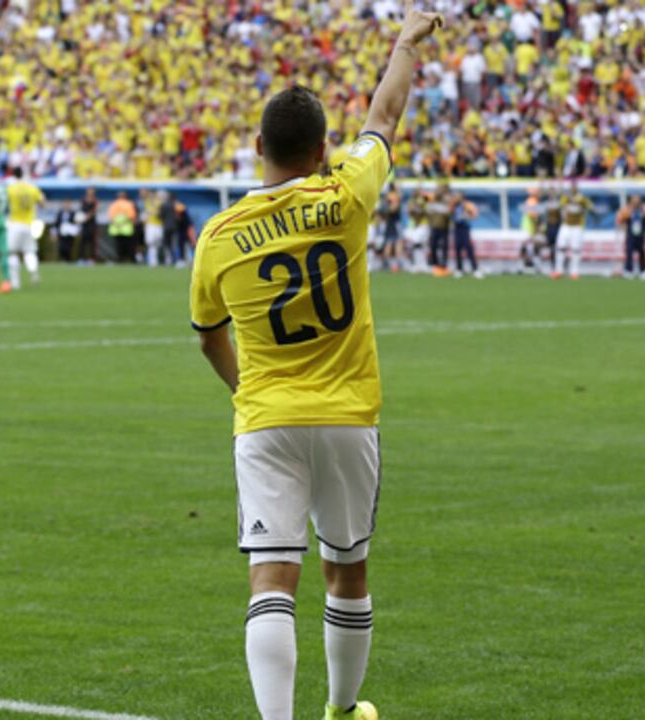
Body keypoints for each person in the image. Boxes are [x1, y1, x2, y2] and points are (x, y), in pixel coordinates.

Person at [189, 6, 443, 720]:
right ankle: (340, 710)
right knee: (347, 569)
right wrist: (403, 43)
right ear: (324, 147)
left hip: (266, 419)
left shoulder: (219, 236)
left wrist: (251, 391)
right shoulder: (348, 193)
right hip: (347, 415)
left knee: (271, 578)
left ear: (258, 144)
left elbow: (207, 335)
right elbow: (386, 114)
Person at [6, 167, 45, 288]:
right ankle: (33, 273)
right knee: (30, 251)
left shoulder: (10, 188)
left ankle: (15, 282)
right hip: (29, 223)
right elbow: (43, 203)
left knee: (12, 253)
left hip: (15, 223)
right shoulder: (32, 188)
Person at [554, 180, 589, 279]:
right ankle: (558, 271)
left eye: (575, 187)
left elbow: (588, 208)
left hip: (577, 226)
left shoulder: (582, 198)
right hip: (566, 225)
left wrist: (581, 208)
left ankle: (574, 272)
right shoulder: (565, 197)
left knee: (575, 249)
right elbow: (560, 207)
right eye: (572, 186)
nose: (573, 188)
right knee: (560, 247)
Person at [617, 195, 645, 279]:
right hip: (630, 234)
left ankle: (644, 271)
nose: (636, 202)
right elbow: (620, 221)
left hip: (641, 234)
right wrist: (624, 230)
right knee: (629, 252)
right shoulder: (627, 210)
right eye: (634, 200)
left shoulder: (644, 210)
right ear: (631, 201)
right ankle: (628, 271)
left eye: (637, 200)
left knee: (642, 252)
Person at [451, 191, 482, 278]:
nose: (456, 198)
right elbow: (451, 214)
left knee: (468, 248)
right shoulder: (454, 205)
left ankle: (475, 269)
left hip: (465, 227)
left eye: (457, 196)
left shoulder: (467, 205)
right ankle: (459, 269)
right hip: (457, 227)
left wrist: (466, 216)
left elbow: (475, 215)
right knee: (457, 248)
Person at [424, 182, 452, 275]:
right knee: (433, 246)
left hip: (444, 227)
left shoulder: (447, 201)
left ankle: (443, 265)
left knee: (444, 247)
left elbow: (449, 212)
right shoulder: (431, 201)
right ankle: (435, 265)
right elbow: (427, 212)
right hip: (434, 227)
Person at [107, 190, 138, 263]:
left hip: (117, 228)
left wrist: (118, 223)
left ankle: (120, 259)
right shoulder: (129, 204)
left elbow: (111, 217)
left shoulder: (114, 204)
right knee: (129, 245)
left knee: (119, 246)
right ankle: (130, 259)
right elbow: (132, 216)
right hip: (127, 228)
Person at [143, 190, 165, 267]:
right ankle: (152, 261)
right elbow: (148, 212)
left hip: (158, 224)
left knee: (159, 242)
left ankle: (160, 259)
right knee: (150, 242)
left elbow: (159, 212)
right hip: (150, 225)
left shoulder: (159, 202)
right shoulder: (147, 202)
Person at [77, 187, 98, 263]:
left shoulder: (95, 201)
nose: (90, 193)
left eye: (92, 191)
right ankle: (82, 258)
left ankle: (92, 259)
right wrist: (80, 219)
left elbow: (93, 212)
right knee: (83, 242)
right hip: (84, 225)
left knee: (92, 243)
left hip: (91, 225)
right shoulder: (83, 200)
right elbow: (80, 211)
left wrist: (86, 217)